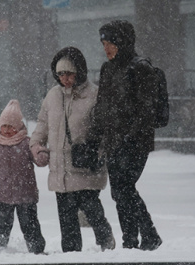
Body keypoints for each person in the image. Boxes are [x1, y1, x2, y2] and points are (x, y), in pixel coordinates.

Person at [30, 47, 116, 252]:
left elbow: (106, 129)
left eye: (69, 73)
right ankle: (70, 254)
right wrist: (36, 145)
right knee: (66, 217)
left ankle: (106, 241)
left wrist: (96, 150)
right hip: (60, 168)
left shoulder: (94, 95)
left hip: (85, 165)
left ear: (79, 72)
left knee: (92, 209)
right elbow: (42, 124)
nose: (65, 79)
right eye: (60, 74)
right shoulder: (53, 96)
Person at [89, 20, 163, 250]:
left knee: (124, 187)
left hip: (136, 142)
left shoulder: (140, 68)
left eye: (110, 43)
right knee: (119, 191)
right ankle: (131, 240)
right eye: (103, 43)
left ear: (122, 43)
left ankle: (146, 235)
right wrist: (94, 136)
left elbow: (146, 110)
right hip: (113, 140)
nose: (106, 48)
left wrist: (130, 137)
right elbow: (102, 106)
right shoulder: (108, 69)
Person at [0, 99, 46, 254]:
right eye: (4, 126)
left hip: (25, 194)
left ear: (18, 126)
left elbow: (40, 160)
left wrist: (41, 154)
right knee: (0, 225)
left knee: (30, 224)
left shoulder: (27, 144)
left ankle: (36, 250)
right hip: (3, 195)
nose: (7, 130)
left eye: (11, 126)